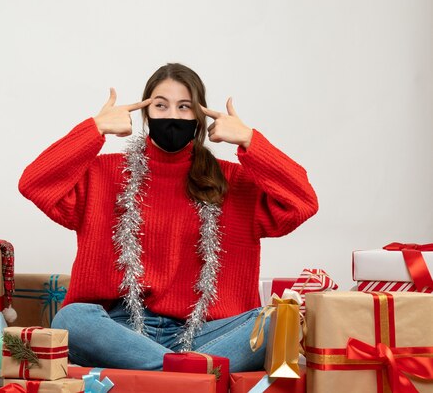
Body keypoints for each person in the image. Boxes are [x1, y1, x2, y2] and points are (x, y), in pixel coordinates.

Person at [18, 63, 318, 372]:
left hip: (206, 332)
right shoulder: (104, 174)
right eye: (161, 105)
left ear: (199, 117)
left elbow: (302, 202)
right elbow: (34, 183)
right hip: (122, 330)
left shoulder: (233, 182)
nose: (172, 115)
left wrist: (250, 141)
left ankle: (171, 375)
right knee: (72, 319)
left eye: (184, 107)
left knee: (277, 321)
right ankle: (191, 377)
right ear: (146, 114)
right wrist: (94, 129)